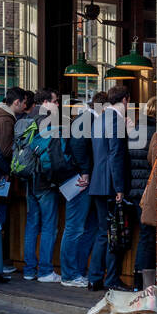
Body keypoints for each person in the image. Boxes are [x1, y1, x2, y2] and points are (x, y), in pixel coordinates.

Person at [88, 84, 132, 291]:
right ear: (125, 100)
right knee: (113, 233)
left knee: (102, 232)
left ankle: (94, 278)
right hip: (109, 185)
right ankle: (111, 279)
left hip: (98, 182)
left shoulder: (100, 119)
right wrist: (120, 187)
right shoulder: (115, 120)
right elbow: (116, 155)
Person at [20, 89, 63, 282]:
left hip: (29, 179)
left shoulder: (26, 118)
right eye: (56, 101)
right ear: (46, 102)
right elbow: (51, 154)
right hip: (45, 181)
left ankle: (29, 270)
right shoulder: (48, 120)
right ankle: (45, 270)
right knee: (48, 227)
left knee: (31, 225)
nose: (58, 104)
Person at [0, 86, 28, 279]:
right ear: (16, 102)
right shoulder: (5, 120)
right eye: (24, 102)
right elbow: (4, 151)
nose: (26, 106)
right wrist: (8, 169)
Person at [59, 97, 95, 287]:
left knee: (84, 228)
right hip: (79, 181)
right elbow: (79, 146)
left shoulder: (82, 119)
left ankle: (77, 272)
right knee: (74, 228)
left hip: (78, 180)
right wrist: (85, 172)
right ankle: (70, 275)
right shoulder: (87, 120)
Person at [127, 96, 157, 289]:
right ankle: (143, 282)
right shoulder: (155, 132)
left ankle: (138, 279)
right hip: (147, 190)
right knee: (149, 236)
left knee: (143, 235)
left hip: (133, 189)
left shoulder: (135, 130)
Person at [135, 129, 157, 289]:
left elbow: (151, 158)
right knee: (149, 239)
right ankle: (148, 288)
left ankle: (141, 285)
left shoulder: (136, 130)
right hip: (152, 191)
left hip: (142, 192)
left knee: (146, 239)